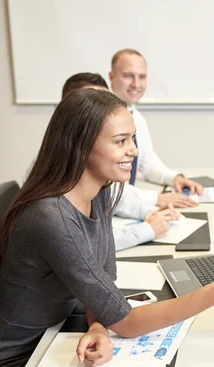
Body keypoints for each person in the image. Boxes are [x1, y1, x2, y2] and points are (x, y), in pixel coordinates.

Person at [0, 89, 214, 367]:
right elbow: (129, 323)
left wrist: (97, 328)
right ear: (80, 147)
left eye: (132, 139)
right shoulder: (52, 219)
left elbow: (103, 285)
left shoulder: (101, 192)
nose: (132, 151)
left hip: (54, 336)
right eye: (120, 141)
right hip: (15, 363)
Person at [25, 72, 180, 251]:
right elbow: (85, 246)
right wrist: (146, 229)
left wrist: (150, 211)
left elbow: (117, 199)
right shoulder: (55, 209)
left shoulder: (97, 190)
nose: (133, 150)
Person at [109, 48, 202, 202]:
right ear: (111, 77)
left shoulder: (135, 116)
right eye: (128, 76)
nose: (136, 84)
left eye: (142, 77)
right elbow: (107, 189)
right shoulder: (101, 120)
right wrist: (156, 199)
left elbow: (148, 163)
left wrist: (174, 178)